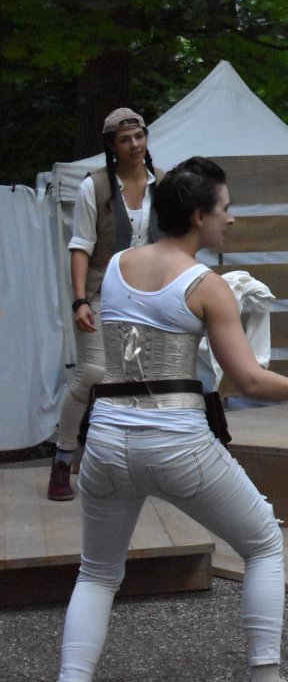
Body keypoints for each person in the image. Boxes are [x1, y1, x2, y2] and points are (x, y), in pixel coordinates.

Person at [57, 157, 288, 682]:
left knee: (96, 574)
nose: (231, 219)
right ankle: (266, 676)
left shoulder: (116, 267)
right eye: (225, 209)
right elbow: (251, 381)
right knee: (263, 544)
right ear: (196, 217)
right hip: (175, 442)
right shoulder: (208, 286)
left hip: (106, 441)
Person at [48, 108, 164, 501]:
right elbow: (80, 247)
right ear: (112, 147)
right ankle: (63, 460)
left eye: (139, 137)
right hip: (101, 291)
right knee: (93, 372)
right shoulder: (94, 186)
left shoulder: (162, 184)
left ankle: (134, 467)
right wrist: (80, 300)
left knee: (142, 378)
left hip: (146, 294)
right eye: (125, 140)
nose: (134, 145)